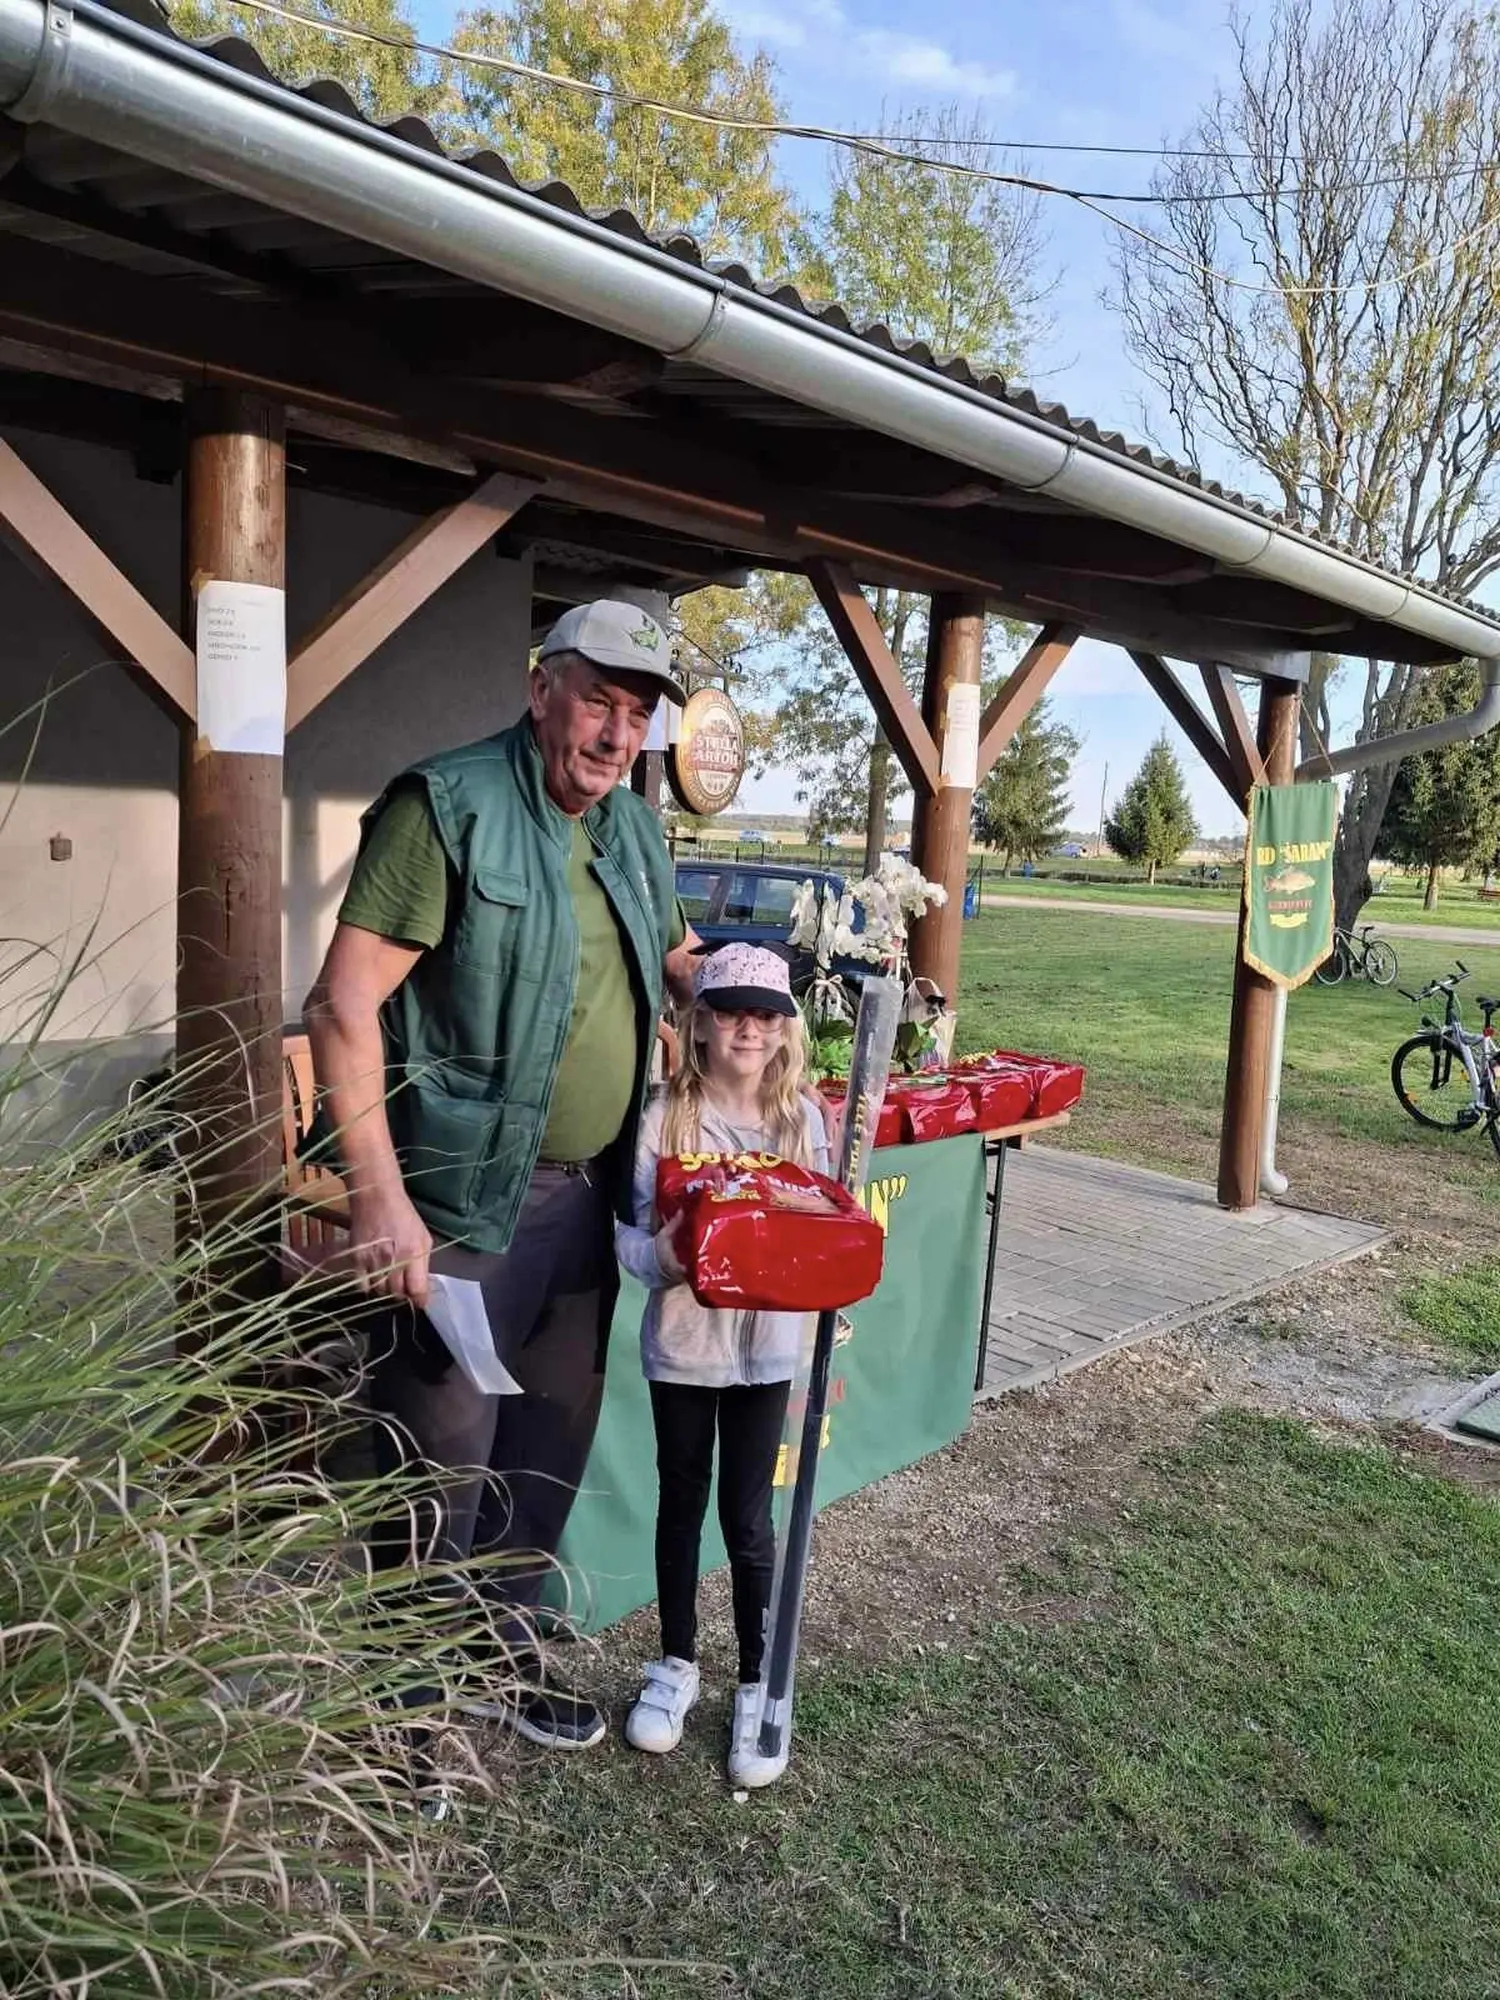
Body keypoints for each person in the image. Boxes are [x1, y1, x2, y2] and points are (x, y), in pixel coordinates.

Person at [304, 597, 697, 1753]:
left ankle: (494, 1663)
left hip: (590, 1201)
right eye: (598, 701)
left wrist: (739, 983)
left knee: (544, 1458)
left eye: (637, 715)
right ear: (541, 689)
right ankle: (403, 1727)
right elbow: (341, 1003)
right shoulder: (449, 805)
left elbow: (671, 957)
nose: (617, 735)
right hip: (464, 1205)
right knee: (441, 1467)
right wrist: (378, 1194)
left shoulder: (630, 828)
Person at [615, 942, 829, 1789]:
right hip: (685, 1348)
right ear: (699, 1023)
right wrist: (665, 1256)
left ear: (785, 1030)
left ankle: (755, 1679)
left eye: (766, 1013)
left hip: (767, 1350)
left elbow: (824, 1227)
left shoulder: (802, 1122)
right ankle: (674, 1662)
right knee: (680, 1504)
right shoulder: (663, 1118)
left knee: (748, 1520)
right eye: (732, 1010)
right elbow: (628, 1238)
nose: (750, 1026)